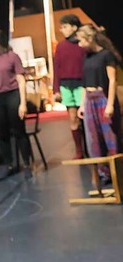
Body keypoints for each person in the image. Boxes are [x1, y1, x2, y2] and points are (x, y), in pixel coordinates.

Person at [0, 28, 33, 176]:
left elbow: (21, 80)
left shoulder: (12, 57)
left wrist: (23, 102)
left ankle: (27, 163)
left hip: (12, 95)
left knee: (19, 131)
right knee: (1, 133)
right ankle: (9, 163)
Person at [76, 24, 122, 182]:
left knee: (110, 136)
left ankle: (117, 172)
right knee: (93, 139)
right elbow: (84, 82)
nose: (79, 45)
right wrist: (82, 104)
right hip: (89, 99)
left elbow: (112, 80)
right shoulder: (86, 57)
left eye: (81, 41)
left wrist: (110, 104)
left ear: (89, 39)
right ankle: (104, 173)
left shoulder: (106, 55)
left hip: (103, 97)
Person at [53, 14, 86, 159]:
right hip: (66, 85)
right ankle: (79, 150)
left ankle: (90, 147)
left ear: (74, 27)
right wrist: (56, 89)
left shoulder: (82, 44)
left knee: (85, 117)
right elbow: (56, 67)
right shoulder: (61, 46)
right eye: (61, 27)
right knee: (72, 118)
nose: (62, 30)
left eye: (65, 26)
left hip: (81, 84)